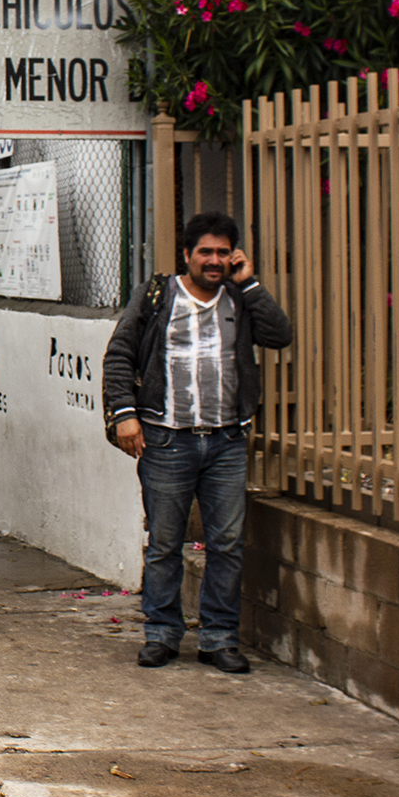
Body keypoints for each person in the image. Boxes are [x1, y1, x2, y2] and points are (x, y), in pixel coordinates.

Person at [103, 212, 294, 675]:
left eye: (223, 252)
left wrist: (249, 283)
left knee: (226, 544)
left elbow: (279, 335)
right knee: (165, 543)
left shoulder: (239, 297)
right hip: (167, 441)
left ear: (234, 256)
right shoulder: (158, 296)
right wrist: (125, 416)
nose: (214, 261)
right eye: (205, 252)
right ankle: (162, 634)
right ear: (187, 255)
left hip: (226, 441)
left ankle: (219, 638)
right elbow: (120, 353)